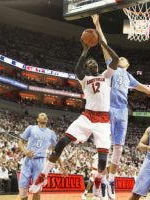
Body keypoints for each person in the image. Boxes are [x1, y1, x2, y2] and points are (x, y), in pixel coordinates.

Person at [91, 14, 150, 199]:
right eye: (118, 57)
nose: (119, 58)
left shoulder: (129, 77)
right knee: (106, 145)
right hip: (109, 108)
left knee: (119, 147)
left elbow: (147, 90)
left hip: (122, 110)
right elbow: (104, 44)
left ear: (127, 64)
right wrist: (97, 24)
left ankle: (111, 180)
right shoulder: (112, 66)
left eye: (122, 58)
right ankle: (102, 180)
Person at [29, 31, 119, 198]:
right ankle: (43, 175)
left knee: (102, 160)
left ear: (98, 67)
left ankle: (99, 179)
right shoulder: (84, 79)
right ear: (87, 67)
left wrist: (102, 44)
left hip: (103, 120)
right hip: (87, 116)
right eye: (89, 62)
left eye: (94, 61)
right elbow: (77, 69)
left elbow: (115, 60)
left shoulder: (106, 76)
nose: (92, 62)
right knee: (62, 142)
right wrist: (85, 51)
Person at [18, 113, 59, 200]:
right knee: (23, 188)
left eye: (46, 116)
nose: (45, 116)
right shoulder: (31, 128)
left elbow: (56, 151)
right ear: (37, 119)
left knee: (37, 189)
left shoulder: (51, 133)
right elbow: (20, 142)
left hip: (40, 161)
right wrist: (25, 151)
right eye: (42, 115)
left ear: (47, 120)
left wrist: (62, 165)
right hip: (28, 160)